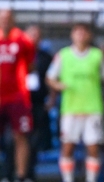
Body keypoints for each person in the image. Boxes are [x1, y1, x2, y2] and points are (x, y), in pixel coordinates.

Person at [46, 23, 104, 182]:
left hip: (92, 108)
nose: (81, 35)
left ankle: (92, 179)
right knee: (67, 146)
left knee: (93, 147)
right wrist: (57, 86)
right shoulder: (64, 55)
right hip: (70, 108)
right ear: (72, 35)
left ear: (89, 35)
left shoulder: (97, 55)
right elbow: (50, 78)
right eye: (77, 32)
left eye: (84, 32)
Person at [0, 10, 35, 182]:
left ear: (13, 20)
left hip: (17, 97)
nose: (5, 21)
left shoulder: (22, 40)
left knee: (20, 136)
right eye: (2, 18)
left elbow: (30, 64)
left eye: (8, 18)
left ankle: (21, 176)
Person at [24, 25, 54, 181]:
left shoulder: (45, 57)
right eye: (31, 34)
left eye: (37, 35)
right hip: (19, 104)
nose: (34, 38)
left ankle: (29, 174)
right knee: (14, 140)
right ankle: (11, 174)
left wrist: (52, 99)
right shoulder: (18, 54)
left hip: (38, 104)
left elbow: (52, 79)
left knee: (35, 141)